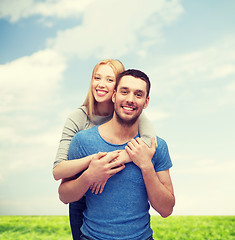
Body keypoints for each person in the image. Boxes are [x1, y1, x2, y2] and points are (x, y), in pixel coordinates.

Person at [59, 69, 175, 240]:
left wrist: (146, 165)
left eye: (138, 94)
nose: (130, 99)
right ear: (113, 95)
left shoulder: (156, 146)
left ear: (146, 101)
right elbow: (64, 196)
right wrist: (89, 176)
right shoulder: (82, 141)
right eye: (124, 91)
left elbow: (166, 209)